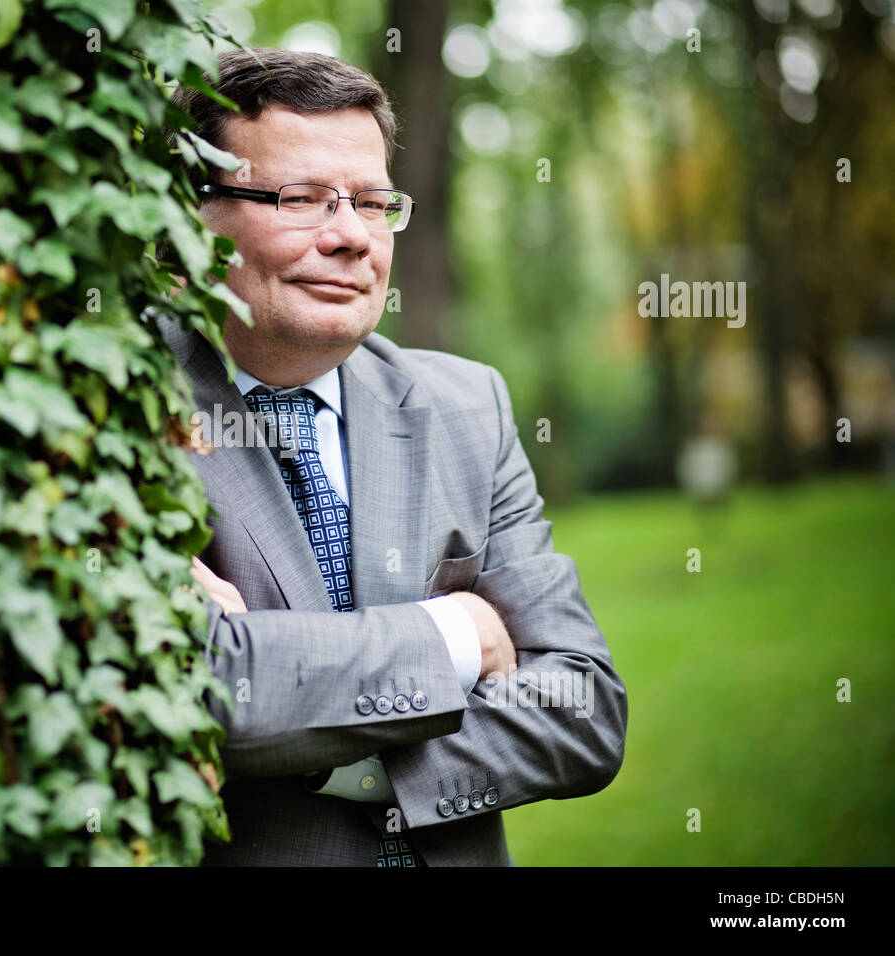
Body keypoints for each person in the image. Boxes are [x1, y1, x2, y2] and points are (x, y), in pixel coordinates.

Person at [159, 47, 627, 866]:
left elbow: (583, 708)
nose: (349, 237)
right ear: (194, 214)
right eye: (301, 198)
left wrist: (328, 751)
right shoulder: (117, 409)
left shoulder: (466, 407)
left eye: (373, 202)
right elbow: (196, 688)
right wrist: (454, 638)